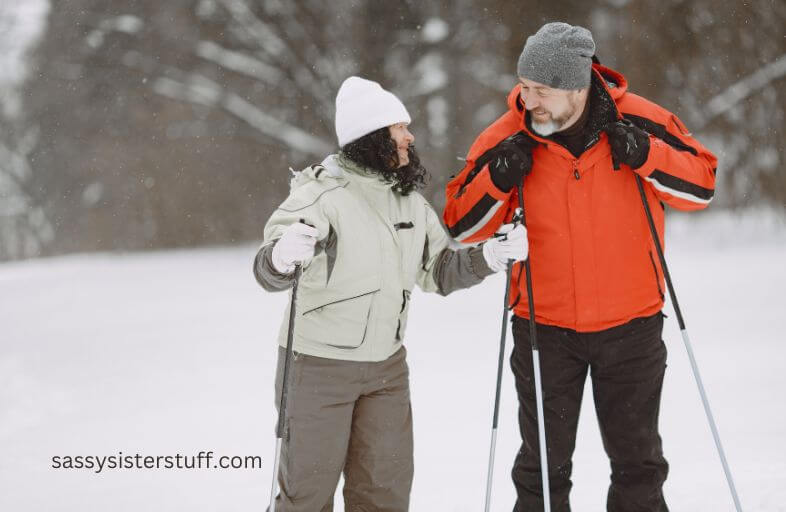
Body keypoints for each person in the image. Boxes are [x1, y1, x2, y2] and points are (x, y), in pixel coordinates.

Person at [443, 22, 717, 512]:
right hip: (542, 330)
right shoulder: (506, 135)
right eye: (524, 88)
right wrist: (498, 178)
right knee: (541, 471)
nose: (528, 102)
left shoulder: (640, 120)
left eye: (541, 91)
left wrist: (647, 154)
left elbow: (702, 186)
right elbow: (460, 224)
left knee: (639, 466)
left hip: (632, 326)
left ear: (577, 86)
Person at [253, 76, 528, 511]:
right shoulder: (321, 194)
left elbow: (437, 270)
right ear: (373, 136)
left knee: (384, 494)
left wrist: (490, 256)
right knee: (305, 495)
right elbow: (270, 269)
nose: (409, 136)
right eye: (400, 127)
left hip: (386, 371)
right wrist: (281, 257)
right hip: (318, 369)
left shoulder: (409, 203)